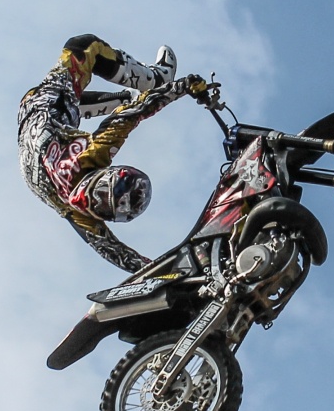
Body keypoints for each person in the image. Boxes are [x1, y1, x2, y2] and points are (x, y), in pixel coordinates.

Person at [18, 33, 208, 272]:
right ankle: (122, 97)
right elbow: (117, 253)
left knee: (82, 46)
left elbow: (133, 114)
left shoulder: (92, 156)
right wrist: (170, 275)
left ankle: (156, 79)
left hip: (46, 106)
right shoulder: (79, 211)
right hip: (40, 134)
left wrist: (180, 87)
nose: (100, 201)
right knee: (121, 103)